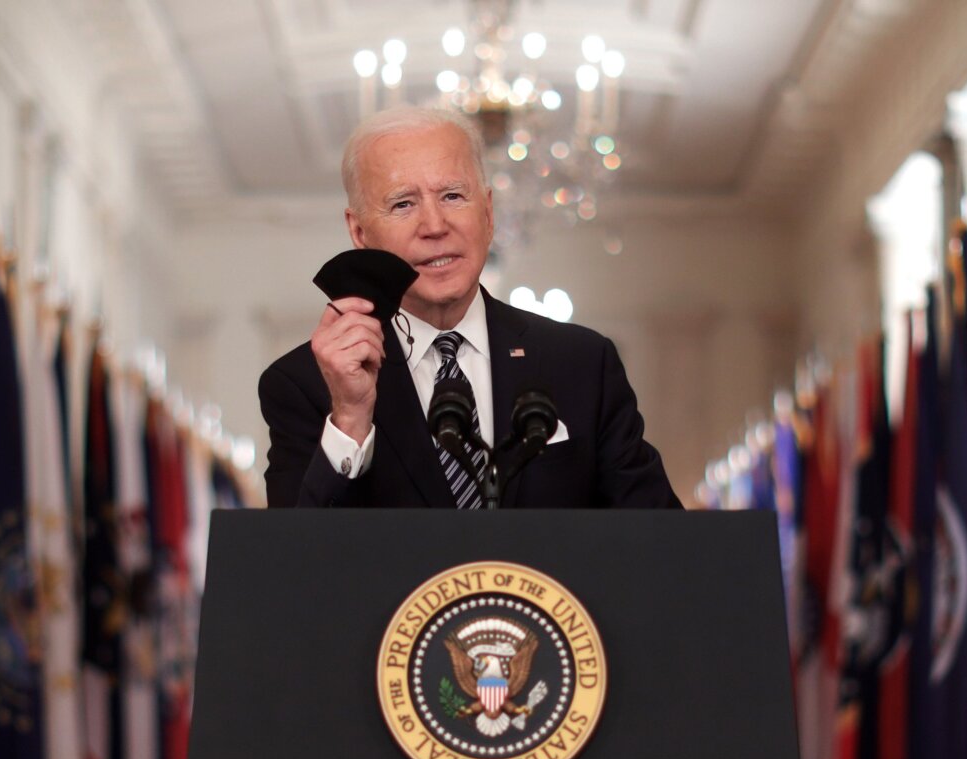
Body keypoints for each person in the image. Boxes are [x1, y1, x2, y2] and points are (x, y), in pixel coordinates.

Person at [258, 106, 680, 509]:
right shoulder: (303, 385)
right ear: (360, 232)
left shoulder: (583, 364)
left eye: (454, 196)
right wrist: (350, 418)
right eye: (403, 203)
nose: (436, 226)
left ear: (489, 213)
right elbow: (294, 568)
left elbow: (660, 543)